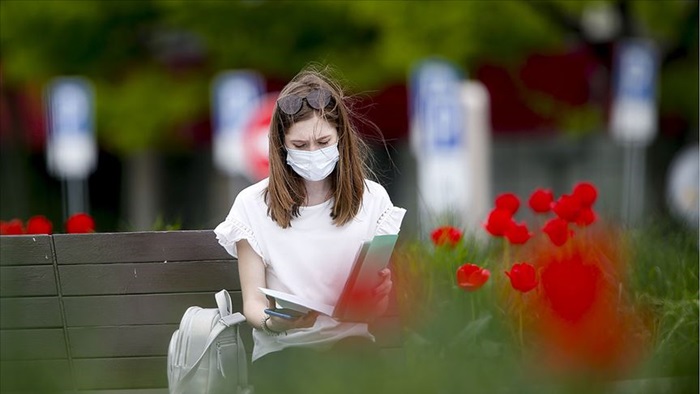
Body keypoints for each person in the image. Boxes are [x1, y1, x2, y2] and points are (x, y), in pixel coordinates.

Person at [214, 65, 406, 393]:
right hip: (283, 351)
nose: (313, 153)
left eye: (323, 141)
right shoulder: (251, 205)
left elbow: (374, 308)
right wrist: (276, 321)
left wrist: (377, 299)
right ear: (281, 145)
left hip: (351, 347)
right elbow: (252, 305)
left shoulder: (373, 200)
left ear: (340, 138)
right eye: (300, 145)